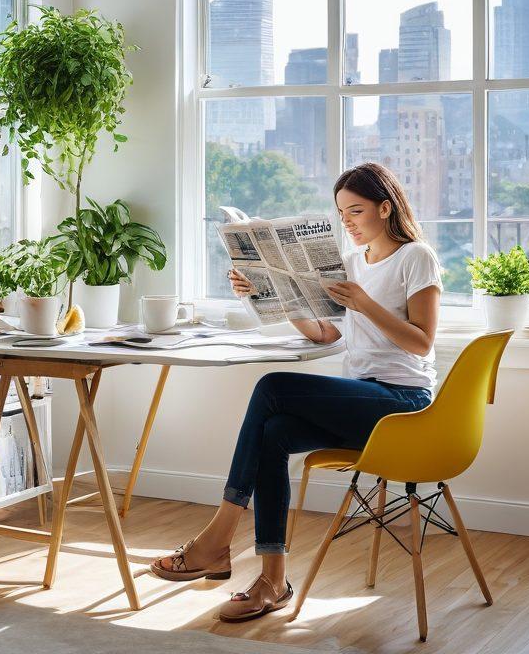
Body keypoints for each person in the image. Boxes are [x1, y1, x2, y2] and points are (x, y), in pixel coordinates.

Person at [151, 161, 442, 622]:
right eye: (341, 213)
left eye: (356, 211)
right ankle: (272, 579)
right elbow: (325, 334)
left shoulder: (415, 257)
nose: (347, 222)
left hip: (405, 404)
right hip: (364, 397)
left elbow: (422, 341)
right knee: (276, 433)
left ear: (385, 209)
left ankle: (217, 537)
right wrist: (264, 295)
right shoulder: (351, 263)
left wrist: (363, 303)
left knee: (272, 386)